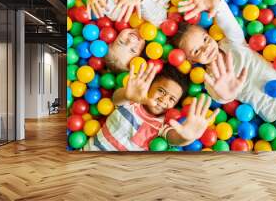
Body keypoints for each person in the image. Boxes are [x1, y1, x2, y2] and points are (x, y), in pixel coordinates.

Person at [173, 0, 276, 122]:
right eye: (196, 51)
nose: (206, 48)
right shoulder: (210, 79)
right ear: (191, 61)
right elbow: (221, 96)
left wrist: (216, 1)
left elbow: (229, 23)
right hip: (274, 112)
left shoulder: (232, 42)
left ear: (210, 35)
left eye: (206, 39)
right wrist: (226, 96)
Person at [83, 63, 220, 151]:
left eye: (171, 99)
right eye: (161, 91)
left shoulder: (161, 126)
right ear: (149, 86)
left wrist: (187, 137)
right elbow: (116, 99)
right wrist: (127, 94)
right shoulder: (132, 102)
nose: (163, 99)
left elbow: (173, 137)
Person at [86, 0, 170, 72]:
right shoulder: (155, 26)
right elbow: (158, 15)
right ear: (141, 53)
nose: (130, 40)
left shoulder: (121, 16)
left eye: (121, 42)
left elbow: (104, 3)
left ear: (115, 37)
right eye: (133, 50)